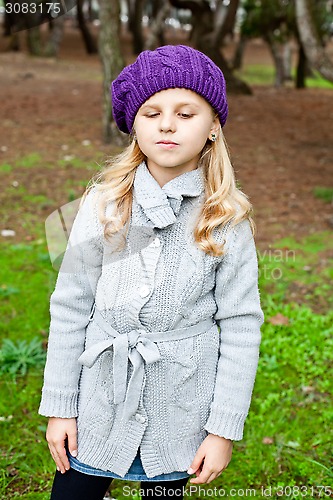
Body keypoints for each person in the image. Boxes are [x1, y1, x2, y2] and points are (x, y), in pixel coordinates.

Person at [39, 44, 264, 500]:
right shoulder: (103, 205)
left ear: (213, 128)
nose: (167, 124)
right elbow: (71, 307)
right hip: (99, 398)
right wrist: (61, 407)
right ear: (133, 127)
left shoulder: (226, 217)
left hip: (181, 403)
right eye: (151, 112)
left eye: (186, 113)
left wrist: (222, 429)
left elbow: (241, 325)